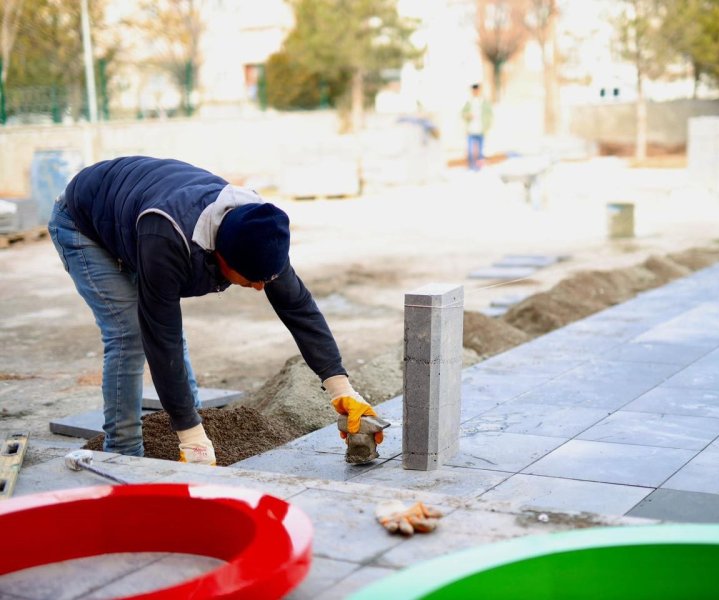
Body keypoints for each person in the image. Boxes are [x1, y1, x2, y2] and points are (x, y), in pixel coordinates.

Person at [48, 156, 380, 465]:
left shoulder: (259, 230)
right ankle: (124, 453)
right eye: (252, 280)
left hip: (135, 215)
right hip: (84, 222)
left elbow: (298, 308)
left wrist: (342, 390)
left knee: (161, 320)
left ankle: (187, 426)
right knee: (132, 334)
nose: (260, 288)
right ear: (222, 258)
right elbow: (161, 337)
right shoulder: (169, 238)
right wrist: (190, 435)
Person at [461, 83, 493, 171]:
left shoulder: (484, 102)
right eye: (474, 90)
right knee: (470, 151)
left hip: (481, 130)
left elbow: (490, 115)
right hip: (471, 130)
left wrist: (487, 126)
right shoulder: (468, 102)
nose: (475, 92)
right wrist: (468, 115)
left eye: (477, 90)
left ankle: (479, 168)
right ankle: (471, 168)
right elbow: (462, 114)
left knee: (480, 151)